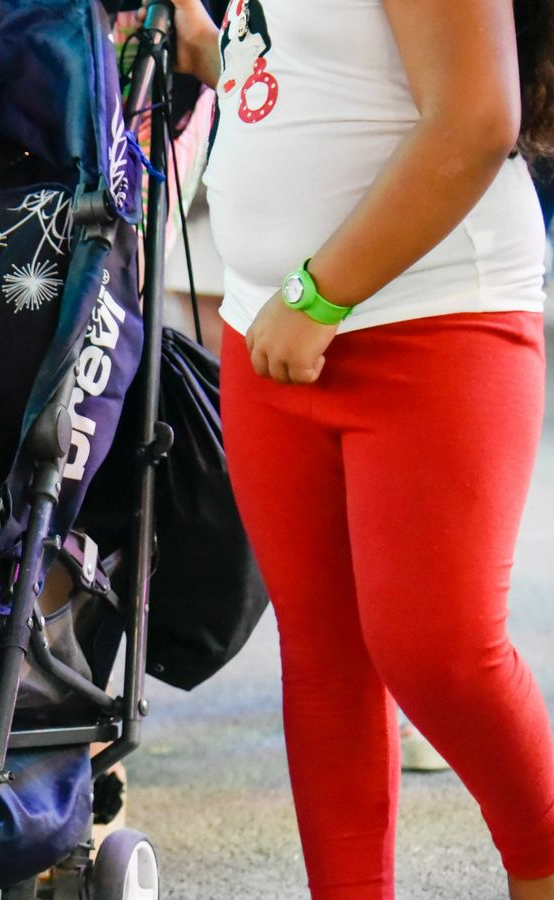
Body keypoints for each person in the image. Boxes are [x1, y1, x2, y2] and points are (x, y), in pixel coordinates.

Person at [172, 0, 554, 895]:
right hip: (268, 324)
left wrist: (318, 298)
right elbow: (323, 85)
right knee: (324, 662)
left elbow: (476, 117)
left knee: (441, 652)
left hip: (432, 316)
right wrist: (212, 55)